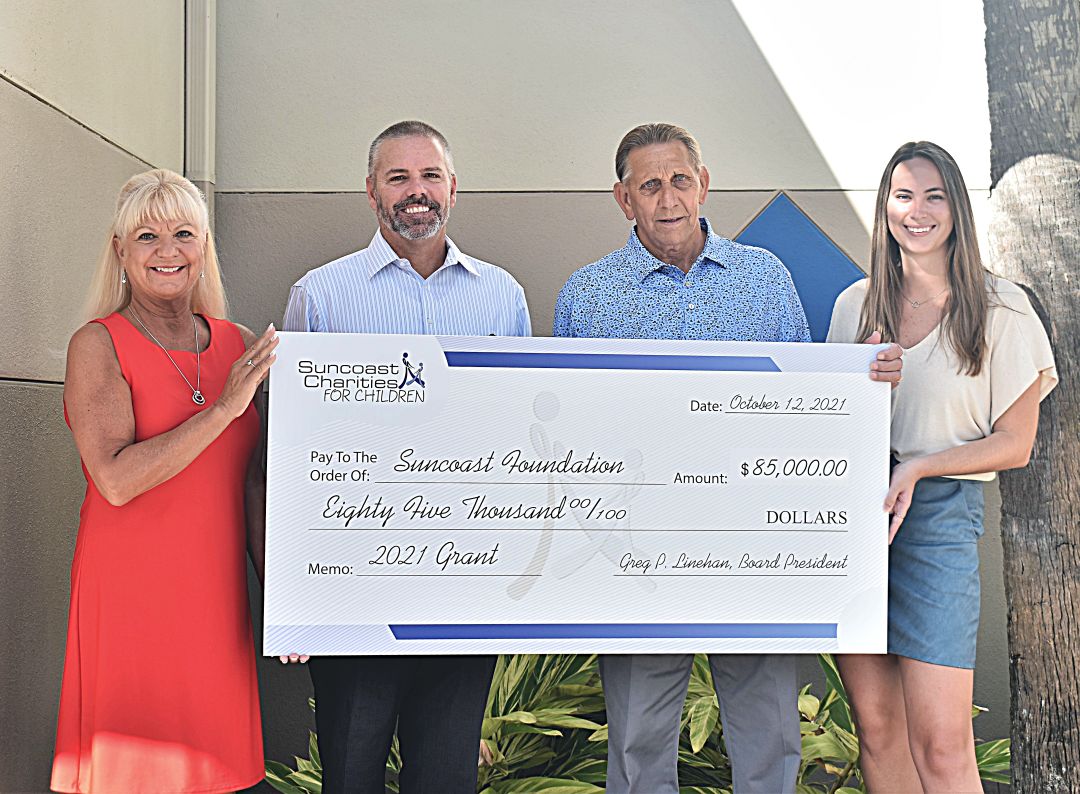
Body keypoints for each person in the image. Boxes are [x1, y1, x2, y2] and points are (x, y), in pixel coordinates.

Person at [554, 123, 903, 794]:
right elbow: (572, 432)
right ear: (623, 199)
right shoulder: (586, 296)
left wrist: (861, 383)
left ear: (704, 184)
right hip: (638, 556)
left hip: (754, 548)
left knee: (769, 735)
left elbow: (805, 407)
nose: (668, 198)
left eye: (680, 180)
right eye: (649, 185)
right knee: (637, 742)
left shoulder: (764, 279)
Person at [283, 120, 530, 794]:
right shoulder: (322, 295)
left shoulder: (501, 298)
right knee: (352, 775)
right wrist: (298, 592)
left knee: (445, 778)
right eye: (398, 177)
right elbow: (293, 454)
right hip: (354, 589)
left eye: (429, 176)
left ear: (453, 188)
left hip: (461, 587)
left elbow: (515, 441)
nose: (415, 191)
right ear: (371, 192)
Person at [828, 141, 1057, 793]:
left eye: (934, 195)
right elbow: (828, 425)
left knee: (943, 744)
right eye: (904, 195)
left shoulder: (1001, 308)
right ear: (885, 209)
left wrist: (921, 467)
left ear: (956, 208)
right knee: (876, 727)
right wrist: (867, 387)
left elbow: (1015, 443)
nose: (918, 210)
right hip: (857, 523)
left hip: (939, 523)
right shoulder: (855, 306)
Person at [50, 170, 278, 793]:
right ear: (120, 251)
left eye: (183, 233)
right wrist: (224, 409)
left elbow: (252, 486)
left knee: (216, 773)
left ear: (203, 247)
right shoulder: (98, 344)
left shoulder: (238, 344)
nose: (167, 251)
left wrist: (287, 599)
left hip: (215, 596)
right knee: (138, 773)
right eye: (146, 236)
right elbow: (116, 480)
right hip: (132, 598)